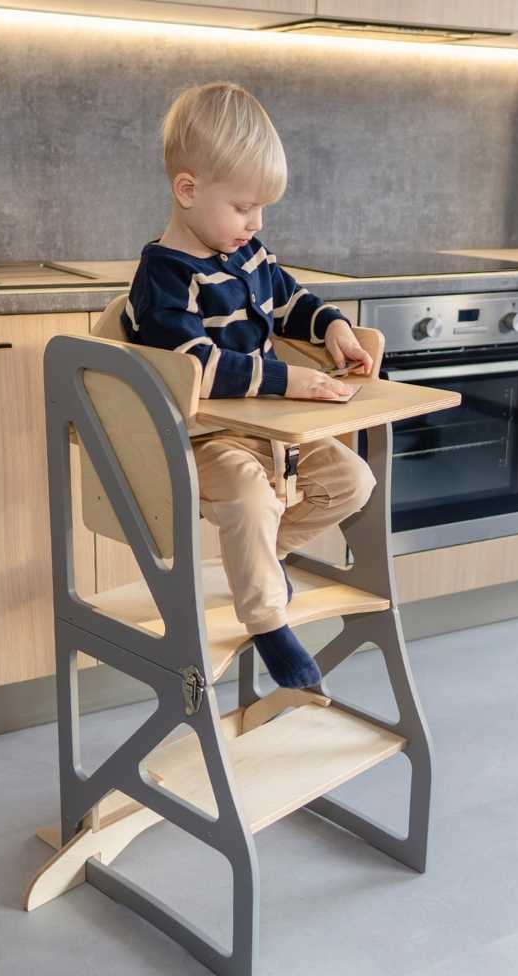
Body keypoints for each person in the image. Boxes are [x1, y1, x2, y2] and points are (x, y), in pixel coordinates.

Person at [121, 81, 377, 688]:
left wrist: (335, 327)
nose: (255, 223)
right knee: (249, 494)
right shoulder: (164, 277)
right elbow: (198, 365)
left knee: (352, 480)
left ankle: (262, 559)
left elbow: (293, 301)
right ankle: (266, 621)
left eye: (261, 209)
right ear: (188, 190)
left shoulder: (248, 256)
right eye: (243, 208)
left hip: (272, 435)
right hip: (201, 441)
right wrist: (291, 380)